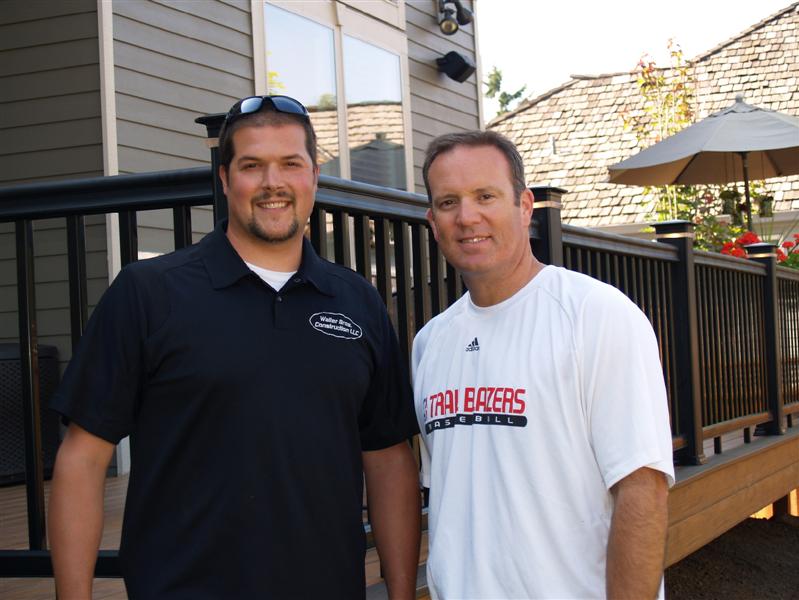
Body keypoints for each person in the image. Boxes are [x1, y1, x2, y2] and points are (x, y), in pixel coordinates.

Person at [48, 95, 420, 599]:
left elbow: (388, 460)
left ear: (314, 177)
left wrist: (401, 594)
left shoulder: (358, 301)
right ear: (225, 180)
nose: (273, 182)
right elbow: (83, 460)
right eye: (252, 165)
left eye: (291, 164)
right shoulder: (149, 293)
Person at [413, 130, 674, 599]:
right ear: (433, 222)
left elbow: (642, 491)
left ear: (525, 206)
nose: (467, 216)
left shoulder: (595, 316)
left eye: (485, 196)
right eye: (449, 202)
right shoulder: (430, 343)